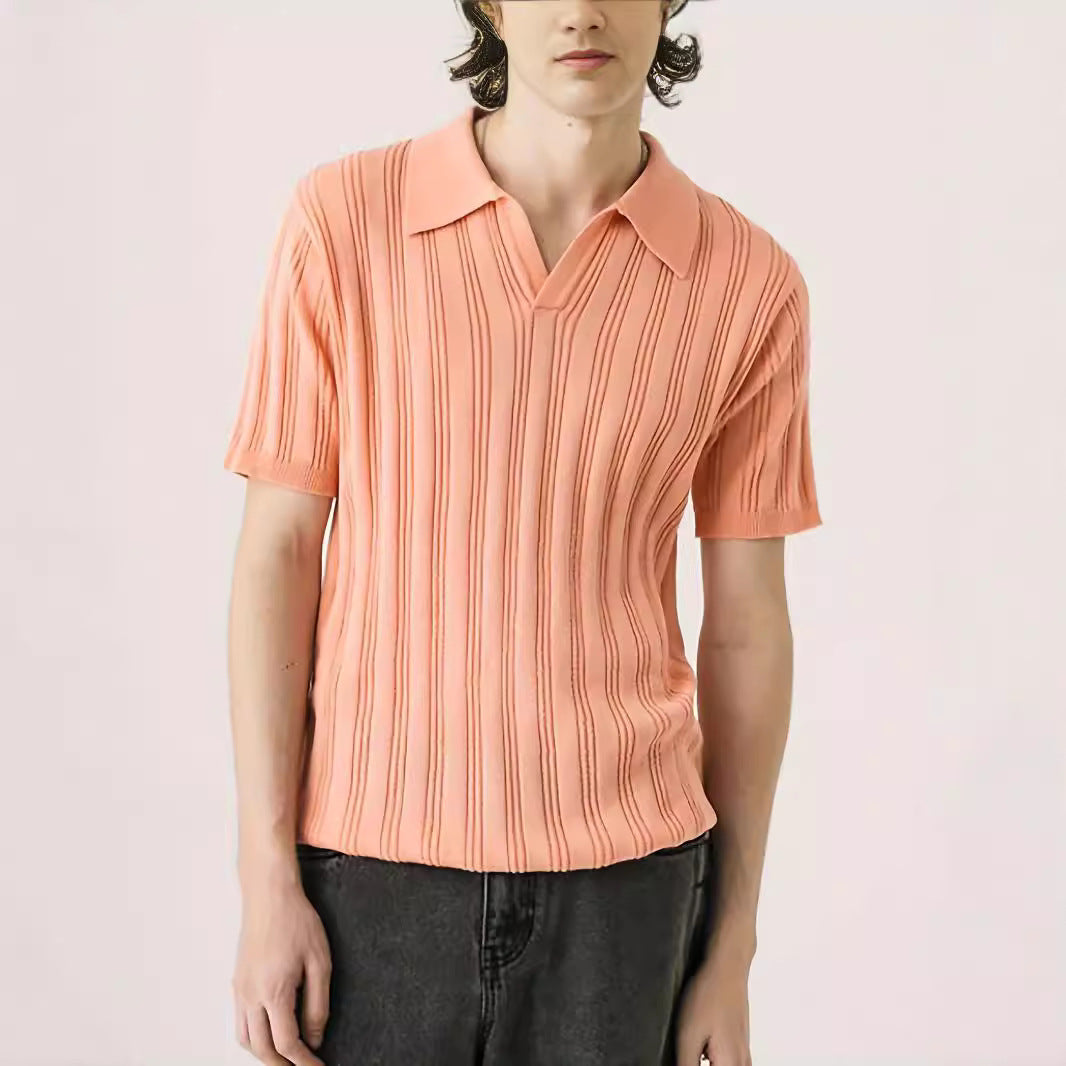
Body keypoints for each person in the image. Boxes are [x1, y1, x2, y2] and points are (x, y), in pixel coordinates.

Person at [223, 2, 822, 1064]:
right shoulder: (345, 222)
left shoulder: (747, 282)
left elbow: (744, 626)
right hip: (368, 880)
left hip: (630, 897)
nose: (582, 11)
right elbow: (278, 555)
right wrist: (267, 880)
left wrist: (731, 945)